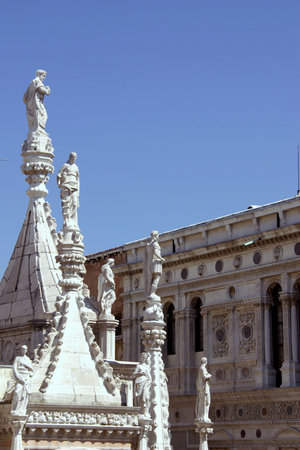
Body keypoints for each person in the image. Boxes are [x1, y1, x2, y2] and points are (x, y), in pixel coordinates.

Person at [6, 345, 33, 416]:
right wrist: (18, 378)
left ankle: (21, 410)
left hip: (26, 377)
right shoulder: (17, 358)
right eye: (23, 349)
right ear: (20, 350)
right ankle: (14, 409)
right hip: (19, 377)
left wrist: (28, 373)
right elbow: (14, 368)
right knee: (17, 392)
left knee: (25, 393)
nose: (24, 351)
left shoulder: (27, 359)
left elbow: (31, 369)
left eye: (26, 349)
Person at [23, 69, 51, 135]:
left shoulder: (32, 83)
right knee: (43, 116)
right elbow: (42, 90)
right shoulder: (37, 81)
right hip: (37, 103)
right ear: (39, 75)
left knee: (40, 116)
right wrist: (48, 90)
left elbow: (24, 97)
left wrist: (28, 104)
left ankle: (37, 129)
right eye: (44, 76)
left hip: (33, 104)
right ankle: (39, 129)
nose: (44, 78)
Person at [57, 153, 80, 228]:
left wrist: (78, 190)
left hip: (75, 186)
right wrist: (59, 183)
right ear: (70, 157)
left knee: (74, 204)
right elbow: (59, 175)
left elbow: (78, 179)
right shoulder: (65, 165)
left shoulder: (76, 167)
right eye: (73, 157)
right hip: (66, 185)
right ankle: (67, 221)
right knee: (66, 204)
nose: (74, 159)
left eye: (75, 157)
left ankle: (74, 223)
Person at [144, 230, 165, 300]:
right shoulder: (155, 244)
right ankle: (152, 292)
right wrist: (161, 258)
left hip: (152, 263)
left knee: (153, 279)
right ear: (156, 236)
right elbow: (156, 252)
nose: (159, 236)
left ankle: (151, 292)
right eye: (158, 235)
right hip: (156, 262)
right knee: (156, 278)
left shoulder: (149, 245)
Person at [133, 353, 151, 418]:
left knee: (146, 397)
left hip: (146, 383)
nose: (144, 358)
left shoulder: (147, 366)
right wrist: (140, 373)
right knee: (140, 396)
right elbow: (134, 374)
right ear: (140, 358)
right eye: (143, 357)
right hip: (139, 381)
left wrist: (148, 382)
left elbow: (149, 377)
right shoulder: (139, 366)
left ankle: (145, 411)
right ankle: (140, 410)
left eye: (145, 358)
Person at [195, 357, 212, 423]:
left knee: (204, 402)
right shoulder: (203, 368)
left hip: (203, 388)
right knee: (205, 402)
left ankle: (203, 416)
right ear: (206, 362)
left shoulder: (201, 369)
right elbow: (205, 376)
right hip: (204, 388)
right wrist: (210, 375)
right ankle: (203, 416)